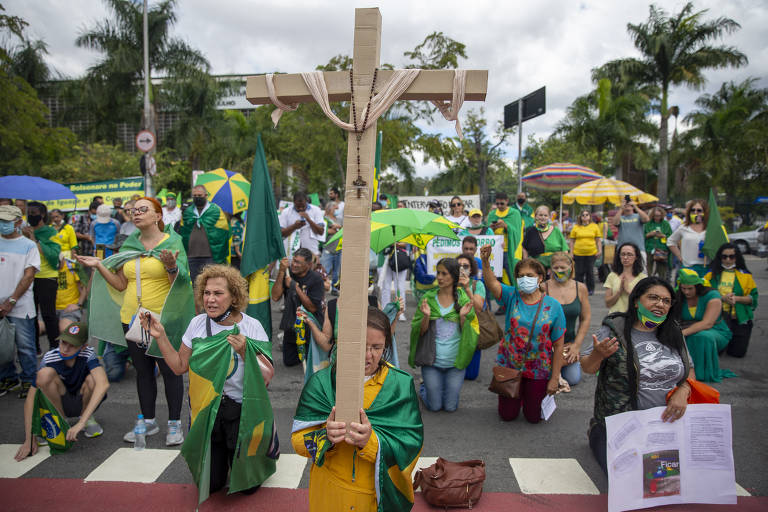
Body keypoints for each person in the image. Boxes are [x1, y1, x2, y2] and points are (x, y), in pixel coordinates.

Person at [141, 265, 277, 499]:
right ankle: (223, 453)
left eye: (218, 293)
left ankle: (254, 447)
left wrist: (246, 352)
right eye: (206, 293)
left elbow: (267, 376)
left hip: (241, 412)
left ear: (234, 296)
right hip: (207, 412)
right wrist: (160, 336)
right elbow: (178, 366)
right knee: (212, 485)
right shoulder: (197, 324)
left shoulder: (251, 326)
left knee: (247, 487)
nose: (210, 299)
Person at [77, 197, 195, 446]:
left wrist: (172, 267)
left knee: (171, 371)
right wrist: (99, 265)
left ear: (158, 216)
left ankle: (174, 424)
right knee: (143, 372)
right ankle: (149, 421)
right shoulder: (130, 244)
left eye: (143, 209)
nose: (136, 213)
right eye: (133, 210)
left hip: (163, 320)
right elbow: (121, 284)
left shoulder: (173, 242)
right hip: (131, 319)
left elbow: (181, 285)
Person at [292, 307, 422, 511]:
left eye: (377, 347)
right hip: (329, 494)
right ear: (343, 342)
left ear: (387, 345)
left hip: (372, 497)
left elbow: (411, 444)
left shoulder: (400, 385)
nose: (368, 356)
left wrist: (371, 443)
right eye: (361, 346)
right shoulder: (321, 384)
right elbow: (298, 443)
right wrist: (325, 437)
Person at [582, 277, 694, 473]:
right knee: (628, 477)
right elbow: (587, 367)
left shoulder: (674, 331)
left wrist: (684, 389)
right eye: (653, 298)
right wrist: (598, 355)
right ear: (636, 301)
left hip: (666, 425)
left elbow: (689, 369)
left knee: (672, 480)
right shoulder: (615, 329)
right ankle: (597, 433)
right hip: (623, 425)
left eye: (666, 301)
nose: (660, 304)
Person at [480, 245, 566, 423]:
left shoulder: (553, 306)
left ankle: (529, 396)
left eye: (529, 276)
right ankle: (517, 398)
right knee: (508, 416)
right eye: (520, 276)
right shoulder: (512, 296)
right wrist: (485, 262)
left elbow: (558, 346)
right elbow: (492, 283)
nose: (524, 279)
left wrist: (554, 378)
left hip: (539, 368)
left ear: (540, 278)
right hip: (510, 365)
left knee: (533, 417)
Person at [14, 321, 109, 462]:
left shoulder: (88, 354)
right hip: (59, 401)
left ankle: (87, 418)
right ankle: (59, 421)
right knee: (43, 375)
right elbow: (30, 400)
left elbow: (104, 384)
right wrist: (29, 439)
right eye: (63, 342)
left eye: (72, 345)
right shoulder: (50, 357)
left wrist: (81, 422)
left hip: (82, 400)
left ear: (84, 347)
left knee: (94, 380)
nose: (65, 348)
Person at [409, 258, 478, 412]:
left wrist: (462, 318)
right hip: (432, 363)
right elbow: (419, 332)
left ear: (454, 276)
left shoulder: (463, 299)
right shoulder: (428, 298)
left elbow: (472, 332)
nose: (439, 277)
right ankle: (424, 388)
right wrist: (426, 316)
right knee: (434, 406)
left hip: (455, 364)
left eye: (444, 274)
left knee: (450, 407)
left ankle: (445, 392)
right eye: (438, 273)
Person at [0, 205, 39, 398]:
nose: (2, 225)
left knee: (25, 346)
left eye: (6, 221)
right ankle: (7, 377)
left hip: (20, 305)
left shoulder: (28, 245)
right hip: (1, 305)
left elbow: (29, 276)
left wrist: (11, 301)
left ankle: (29, 380)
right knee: (2, 345)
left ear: (17, 222)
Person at [676, 269, 735, 382]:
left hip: (716, 330)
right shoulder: (678, 295)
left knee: (702, 336)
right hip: (689, 328)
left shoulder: (712, 295)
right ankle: (684, 371)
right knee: (693, 335)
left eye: (690, 289)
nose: (686, 292)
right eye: (683, 288)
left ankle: (702, 374)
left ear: (698, 286)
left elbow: (707, 323)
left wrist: (680, 334)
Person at [271, 248, 325, 367]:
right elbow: (275, 297)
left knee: (312, 361)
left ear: (309, 265)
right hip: (291, 324)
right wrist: (281, 272)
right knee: (289, 361)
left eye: (298, 263)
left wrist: (295, 287)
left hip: (310, 326)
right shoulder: (288, 273)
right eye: (293, 261)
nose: (294, 265)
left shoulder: (316, 279)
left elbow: (312, 308)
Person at [543, 252, 590, 387]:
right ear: (550, 269)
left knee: (573, 379)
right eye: (556, 268)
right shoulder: (543, 288)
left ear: (571, 267)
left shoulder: (580, 288)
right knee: (545, 378)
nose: (559, 271)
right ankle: (554, 370)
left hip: (568, 345)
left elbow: (585, 318)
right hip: (546, 346)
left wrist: (576, 345)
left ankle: (560, 368)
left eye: (563, 268)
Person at [704, 243, 757, 357]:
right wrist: (722, 298)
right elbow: (703, 295)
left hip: (738, 319)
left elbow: (753, 297)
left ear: (737, 257)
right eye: (724, 257)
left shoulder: (746, 275)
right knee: (716, 352)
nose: (728, 260)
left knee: (737, 353)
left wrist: (737, 299)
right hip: (717, 319)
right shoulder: (710, 275)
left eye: (731, 256)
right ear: (720, 257)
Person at [24, 202, 61, 359]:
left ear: (42, 215)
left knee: (48, 314)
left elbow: (53, 255)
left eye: (34, 212)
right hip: (29, 278)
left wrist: (33, 238)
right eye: (29, 212)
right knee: (30, 315)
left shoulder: (51, 232)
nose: (32, 215)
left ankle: (55, 347)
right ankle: (35, 348)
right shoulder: (23, 231)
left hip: (47, 277)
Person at [179, 185, 231, 283]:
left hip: (210, 256)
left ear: (206, 195)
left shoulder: (215, 210)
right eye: (195, 195)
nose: (197, 197)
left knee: (210, 283)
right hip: (191, 256)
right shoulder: (188, 212)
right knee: (194, 284)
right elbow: (183, 232)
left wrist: (219, 254)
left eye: (200, 195)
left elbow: (223, 232)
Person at [456, 254, 486, 381]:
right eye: (459, 266)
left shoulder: (477, 285)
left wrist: (467, 289)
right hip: (453, 333)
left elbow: (478, 308)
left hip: (472, 332)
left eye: (465, 266)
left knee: (470, 375)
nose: (462, 269)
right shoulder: (448, 284)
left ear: (471, 269)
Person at [488, 192, 524, 285]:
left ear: (507, 201)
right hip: (495, 251)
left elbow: (517, 231)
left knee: (512, 276)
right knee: (496, 278)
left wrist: (506, 226)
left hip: (508, 250)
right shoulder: (492, 214)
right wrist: (492, 228)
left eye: (502, 203)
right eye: (497, 204)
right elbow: (486, 232)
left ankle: (516, 296)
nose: (499, 206)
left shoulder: (514, 213)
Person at [667, 198, 709, 276]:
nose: (696, 213)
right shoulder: (684, 227)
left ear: (705, 212)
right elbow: (670, 241)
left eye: (699, 210)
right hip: (688, 268)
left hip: (706, 268)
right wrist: (680, 257)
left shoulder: (710, 228)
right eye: (693, 210)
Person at [522, 205, 569, 271]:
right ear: (535, 216)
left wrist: (560, 265)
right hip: (535, 267)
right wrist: (526, 263)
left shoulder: (556, 230)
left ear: (549, 217)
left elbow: (565, 250)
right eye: (540, 215)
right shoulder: (530, 231)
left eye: (545, 215)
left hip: (554, 267)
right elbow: (524, 248)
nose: (543, 217)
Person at [604, 242, 647, 314]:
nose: (625, 257)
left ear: (636, 257)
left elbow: (644, 304)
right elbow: (608, 304)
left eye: (629, 254)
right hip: (615, 317)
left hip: (634, 318)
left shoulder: (643, 278)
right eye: (623, 254)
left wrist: (628, 291)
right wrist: (619, 292)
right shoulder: (612, 276)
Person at [279, 191, 325, 257]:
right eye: (298, 207)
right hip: (291, 252)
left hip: (311, 250)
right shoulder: (286, 212)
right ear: (294, 202)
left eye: (303, 206)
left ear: (306, 201)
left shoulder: (316, 210)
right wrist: (294, 226)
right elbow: (281, 233)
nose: (301, 208)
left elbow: (321, 232)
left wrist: (309, 220)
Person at [569, 209, 602, 294]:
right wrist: (571, 252)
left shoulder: (594, 226)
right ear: (580, 217)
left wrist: (599, 250)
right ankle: (578, 289)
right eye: (583, 215)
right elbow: (572, 241)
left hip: (591, 253)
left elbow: (598, 240)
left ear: (590, 216)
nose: (585, 216)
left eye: (587, 215)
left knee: (590, 272)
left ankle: (590, 289)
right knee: (579, 272)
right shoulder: (576, 227)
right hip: (578, 253)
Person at [613, 198, 650, 266]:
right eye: (626, 203)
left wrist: (635, 206)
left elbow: (646, 219)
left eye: (629, 203)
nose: (627, 204)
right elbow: (615, 222)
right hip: (623, 250)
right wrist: (621, 208)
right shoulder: (620, 217)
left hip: (639, 249)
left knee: (641, 272)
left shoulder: (638, 216)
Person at [380, 242, 410, 322]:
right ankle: (385, 311)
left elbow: (405, 243)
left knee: (400, 286)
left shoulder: (403, 229)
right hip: (386, 257)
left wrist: (394, 243)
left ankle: (400, 311)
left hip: (400, 257)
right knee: (385, 286)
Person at [644, 206, 673, 281]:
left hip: (662, 249)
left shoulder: (666, 224)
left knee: (662, 270)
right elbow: (642, 235)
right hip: (649, 248)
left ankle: (662, 283)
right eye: (656, 215)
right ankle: (649, 282)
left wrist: (663, 235)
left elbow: (671, 236)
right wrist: (650, 234)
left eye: (659, 215)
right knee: (649, 269)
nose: (657, 217)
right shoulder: (648, 224)